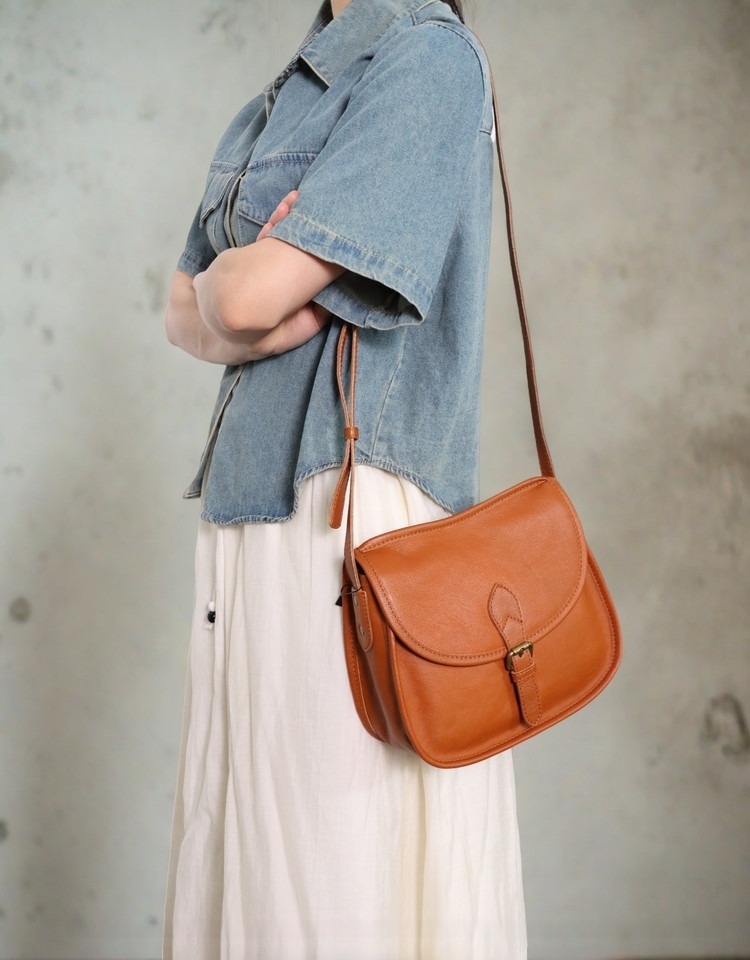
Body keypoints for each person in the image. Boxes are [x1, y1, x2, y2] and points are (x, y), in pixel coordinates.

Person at [162, 0, 527, 957]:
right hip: (254, 518)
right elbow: (181, 310)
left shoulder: (429, 59)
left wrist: (236, 292)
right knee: (257, 853)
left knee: (335, 860)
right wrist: (241, 300)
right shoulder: (281, 94)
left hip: (350, 525)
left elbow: (231, 295)